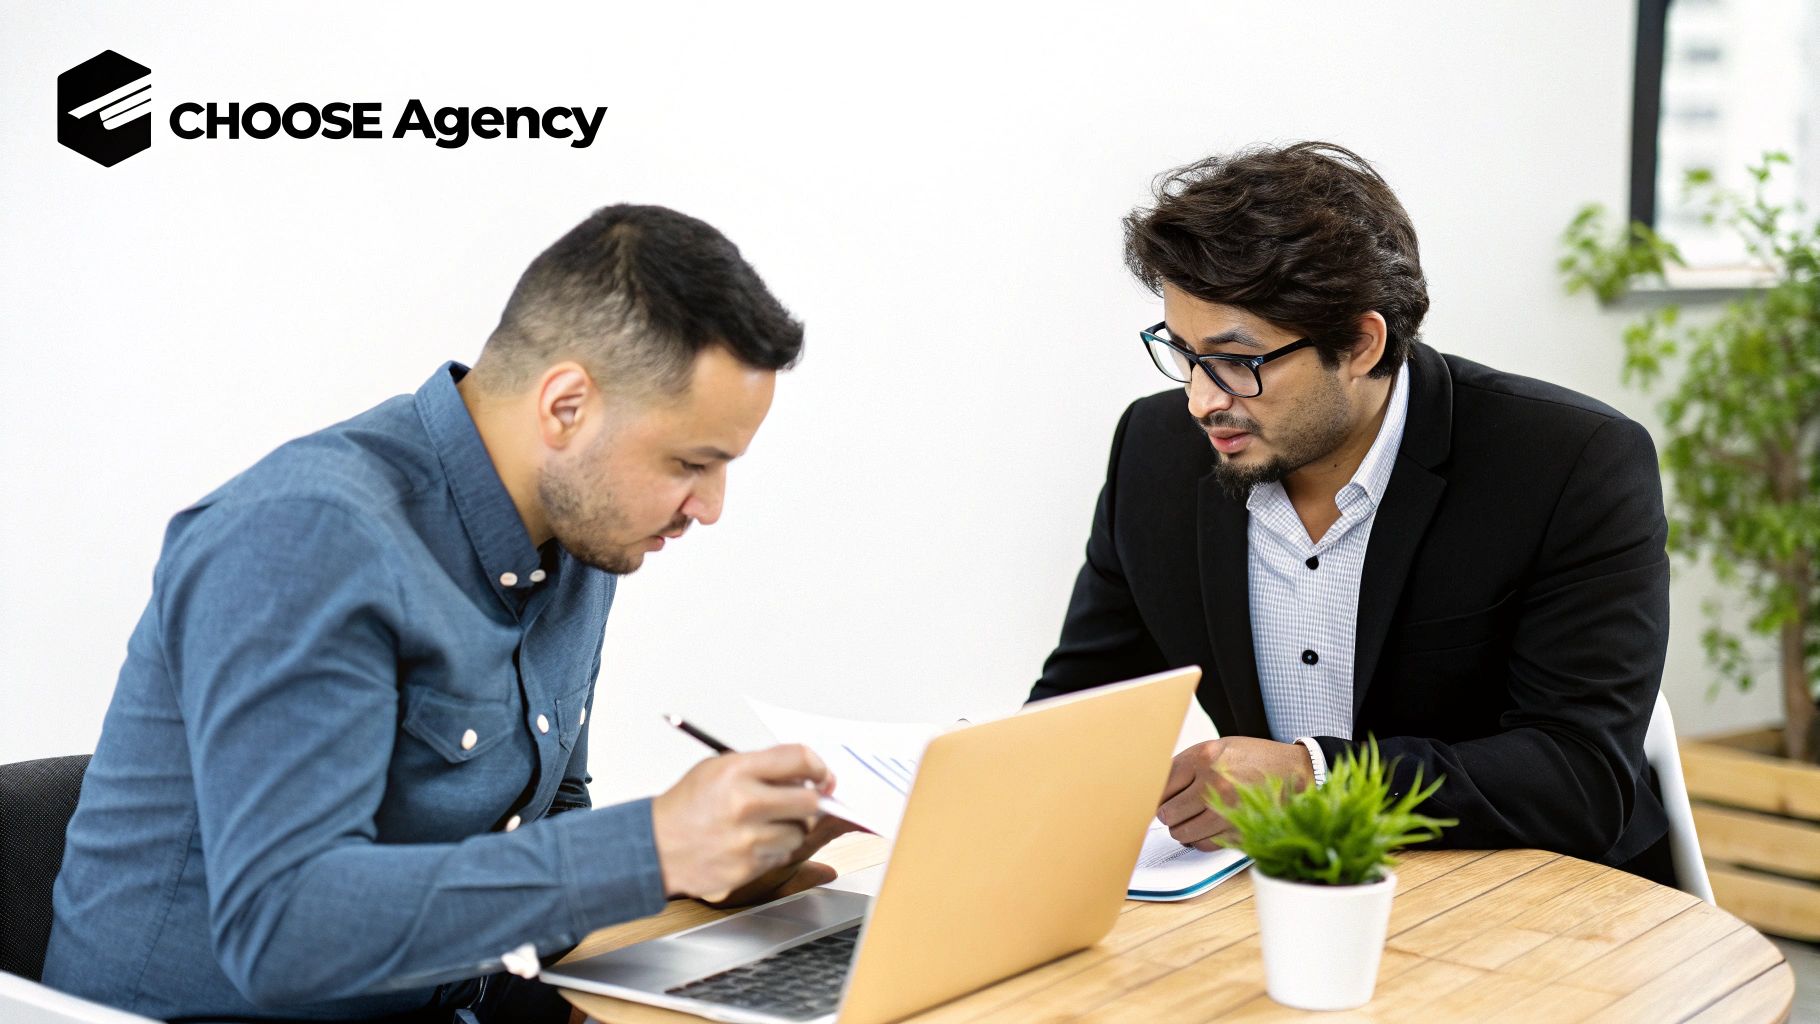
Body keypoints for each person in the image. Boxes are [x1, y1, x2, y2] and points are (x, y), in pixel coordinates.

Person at [44, 205, 854, 1022]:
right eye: (690, 462)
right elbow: (284, 931)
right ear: (567, 406)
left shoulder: (579, 538)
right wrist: (652, 846)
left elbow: (546, 825)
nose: (709, 508)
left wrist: (707, 861)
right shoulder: (306, 538)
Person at [1029, 142, 1675, 883]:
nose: (1201, 400)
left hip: (1547, 903)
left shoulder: (1570, 462)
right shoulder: (1155, 452)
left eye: (1237, 361)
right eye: (1182, 352)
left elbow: (1579, 776)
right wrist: (925, 796)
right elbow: (1085, 703)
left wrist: (1316, 778)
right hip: (1279, 898)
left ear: (1362, 344)